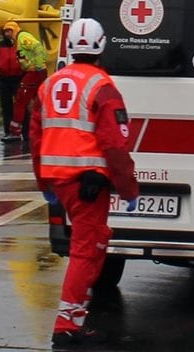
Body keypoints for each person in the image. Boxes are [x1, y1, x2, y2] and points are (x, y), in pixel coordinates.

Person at [30, 18, 140, 346]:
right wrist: (128, 188)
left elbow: (35, 137)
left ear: (69, 47)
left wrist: (44, 183)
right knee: (85, 250)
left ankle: (75, 316)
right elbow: (114, 143)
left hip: (60, 181)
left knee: (97, 240)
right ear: (101, 46)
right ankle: (67, 325)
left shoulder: (49, 84)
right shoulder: (102, 86)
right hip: (88, 183)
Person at [8, 24, 48, 140]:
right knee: (38, 102)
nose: (6, 34)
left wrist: (39, 67)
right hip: (34, 72)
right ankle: (42, 129)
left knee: (20, 100)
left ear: (13, 30)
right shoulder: (19, 40)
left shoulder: (23, 37)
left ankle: (15, 131)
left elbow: (38, 48)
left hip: (34, 73)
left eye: (8, 31)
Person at [0, 22, 25, 143]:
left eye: (9, 31)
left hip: (18, 77)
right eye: (5, 31)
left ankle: (26, 132)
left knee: (22, 106)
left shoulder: (21, 44)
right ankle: (8, 132)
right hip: (4, 78)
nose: (7, 34)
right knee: (6, 107)